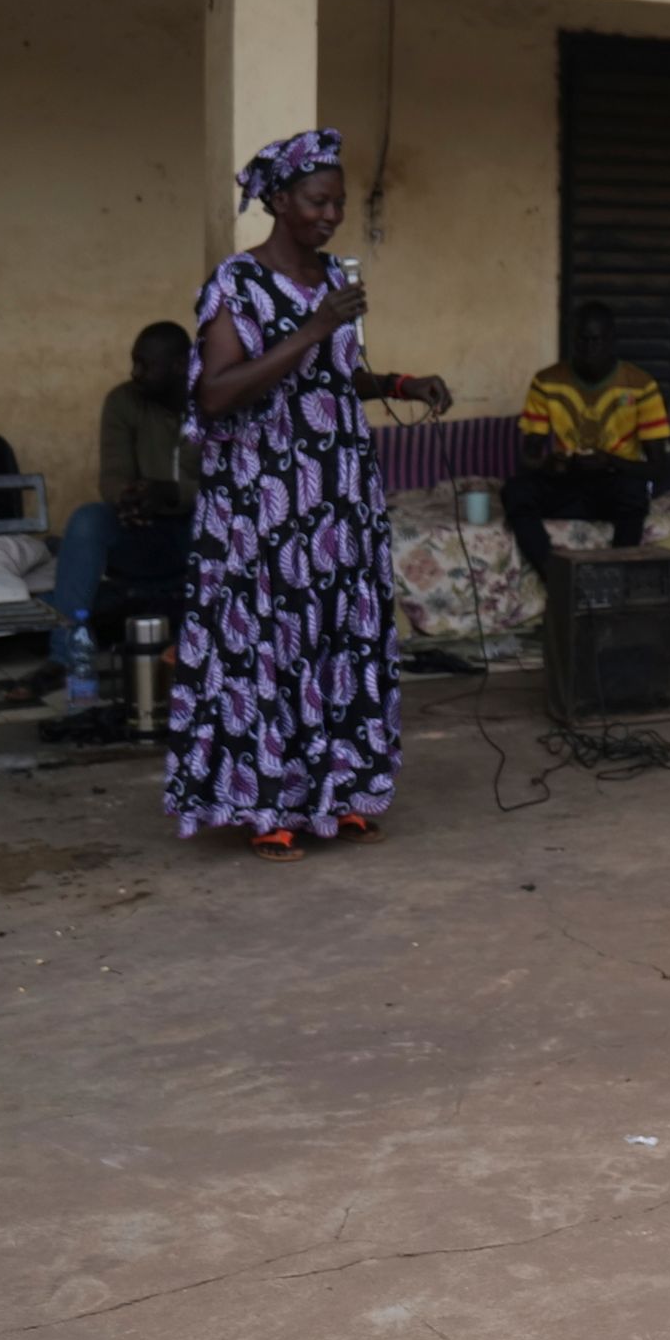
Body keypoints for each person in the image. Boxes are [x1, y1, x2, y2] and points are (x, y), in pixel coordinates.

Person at [168, 130, 450, 861]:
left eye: (338, 204)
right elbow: (219, 391)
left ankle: (341, 792)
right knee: (268, 645)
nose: (331, 216)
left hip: (336, 496)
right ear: (281, 200)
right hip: (262, 502)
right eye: (319, 202)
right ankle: (267, 805)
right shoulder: (236, 283)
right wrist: (315, 327)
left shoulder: (331, 279)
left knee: (339, 638)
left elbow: (330, 376)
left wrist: (397, 384)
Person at [50, 322, 195, 639]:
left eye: (145, 365)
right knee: (88, 521)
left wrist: (172, 493)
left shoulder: (217, 401)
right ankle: (67, 654)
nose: (135, 373)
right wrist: (128, 498)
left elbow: (234, 485)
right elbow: (114, 473)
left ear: (180, 366)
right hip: (143, 527)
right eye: (134, 362)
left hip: (200, 530)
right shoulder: (123, 401)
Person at [508, 302, 670, 576]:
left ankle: (618, 576)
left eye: (597, 340)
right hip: (568, 483)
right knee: (515, 492)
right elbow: (528, 457)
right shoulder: (547, 381)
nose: (589, 348)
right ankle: (553, 575)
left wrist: (611, 462)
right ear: (573, 340)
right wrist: (549, 464)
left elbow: (658, 467)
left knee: (633, 494)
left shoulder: (641, 385)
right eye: (582, 340)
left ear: (611, 341)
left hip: (615, 486)